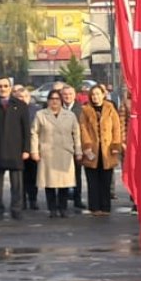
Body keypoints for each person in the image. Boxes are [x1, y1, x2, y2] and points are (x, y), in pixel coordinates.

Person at [0, 77, 31, 220]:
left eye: (5, 86)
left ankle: (16, 209)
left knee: (17, 184)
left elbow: (26, 130)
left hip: (16, 150)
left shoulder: (20, 105)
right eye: (0, 86)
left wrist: (26, 149)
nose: (2, 88)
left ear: (10, 88)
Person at [31, 89, 81, 218]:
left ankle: (63, 208)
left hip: (65, 152)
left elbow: (76, 134)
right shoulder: (40, 115)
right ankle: (52, 209)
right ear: (48, 101)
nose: (54, 101)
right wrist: (34, 151)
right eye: (52, 99)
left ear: (61, 101)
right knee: (50, 183)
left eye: (57, 99)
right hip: (48, 152)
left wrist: (78, 151)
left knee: (64, 183)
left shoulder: (70, 115)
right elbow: (34, 133)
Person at [79, 84, 123, 216]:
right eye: (93, 95)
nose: (95, 97)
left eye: (98, 94)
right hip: (92, 150)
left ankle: (105, 207)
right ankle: (94, 207)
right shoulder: (85, 110)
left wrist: (116, 145)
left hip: (107, 150)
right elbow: (83, 129)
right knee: (92, 180)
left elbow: (116, 128)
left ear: (103, 95)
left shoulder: (110, 109)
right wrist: (86, 146)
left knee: (106, 180)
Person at [16, 85, 41, 210]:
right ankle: (22, 200)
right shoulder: (13, 109)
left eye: (25, 96)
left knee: (33, 176)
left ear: (29, 97)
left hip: (32, 147)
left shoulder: (36, 110)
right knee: (20, 176)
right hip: (17, 148)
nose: (23, 99)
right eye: (20, 97)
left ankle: (33, 199)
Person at [61, 85, 86, 211]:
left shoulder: (81, 109)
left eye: (70, 94)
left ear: (74, 95)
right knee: (62, 175)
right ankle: (62, 200)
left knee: (77, 174)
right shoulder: (56, 108)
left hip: (76, 147)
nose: (67, 96)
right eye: (65, 94)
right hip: (61, 148)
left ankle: (77, 199)